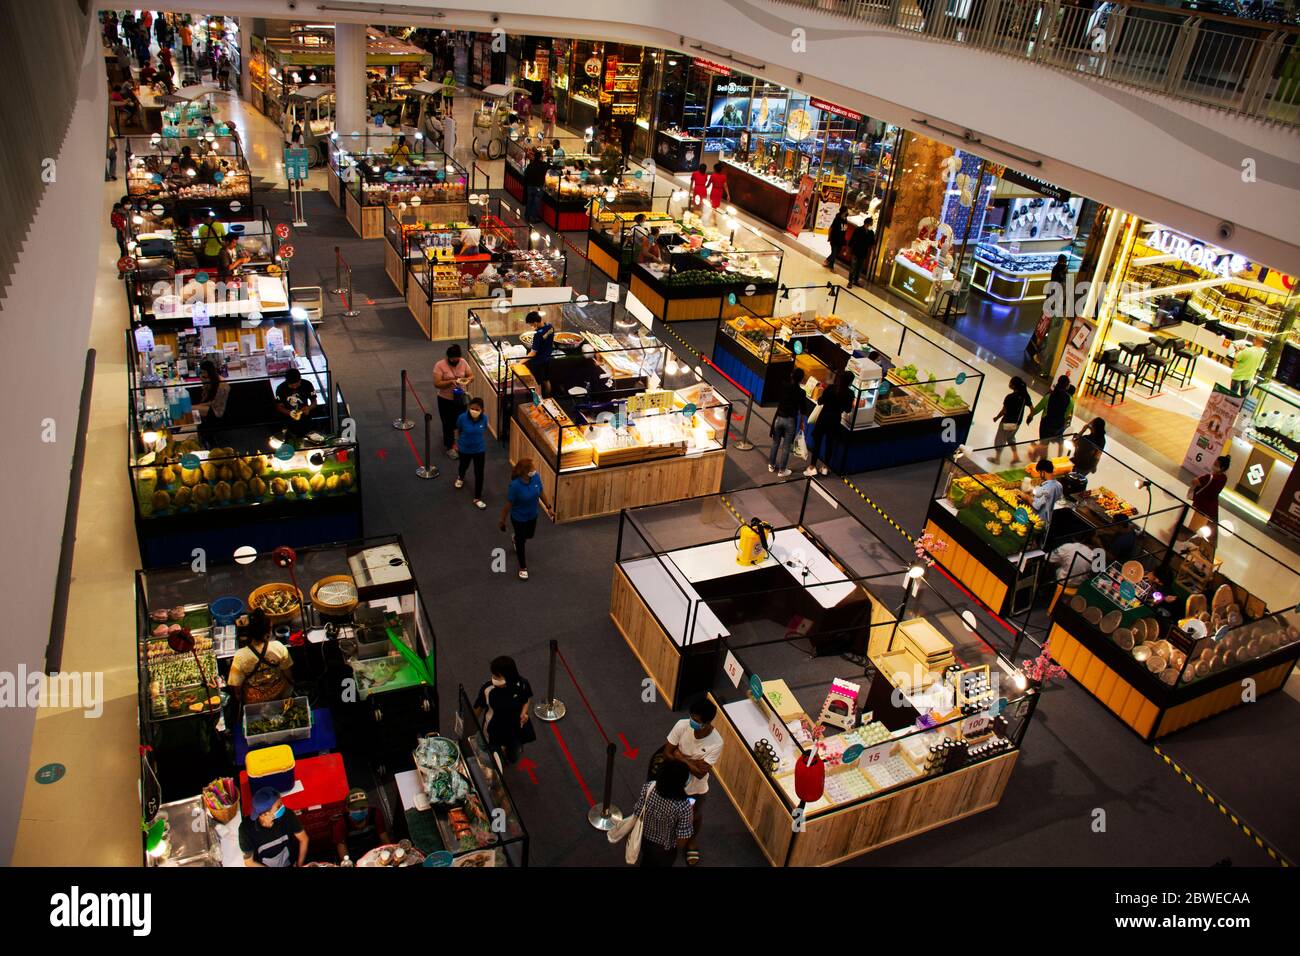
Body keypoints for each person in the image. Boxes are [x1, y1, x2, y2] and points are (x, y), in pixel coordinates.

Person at [663, 698, 723, 867]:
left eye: (696, 721)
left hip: (696, 788)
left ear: (707, 723)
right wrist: (692, 763)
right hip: (673, 780)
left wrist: (680, 757)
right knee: (669, 808)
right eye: (691, 717)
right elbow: (667, 752)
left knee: (694, 814)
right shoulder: (682, 725)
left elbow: (700, 773)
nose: (692, 722)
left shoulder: (716, 743)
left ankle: (691, 842)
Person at [629, 760, 694, 867]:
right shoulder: (683, 807)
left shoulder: (649, 787)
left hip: (644, 838)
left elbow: (637, 810)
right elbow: (681, 840)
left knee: (646, 860)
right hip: (664, 849)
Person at [473, 655, 536, 765]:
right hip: (492, 733)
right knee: (494, 759)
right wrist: (469, 724)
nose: (494, 679)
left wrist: (524, 713)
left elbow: (526, 699)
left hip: (514, 732)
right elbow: (478, 708)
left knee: (513, 757)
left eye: (497, 677)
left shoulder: (522, 684)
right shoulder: (488, 689)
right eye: (493, 675)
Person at [226, 608, 294, 704]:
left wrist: (240, 699)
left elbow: (237, 687)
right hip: (280, 695)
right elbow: (289, 675)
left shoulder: (240, 656)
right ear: (269, 632)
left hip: (254, 701)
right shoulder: (278, 647)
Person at [240, 789, 307, 868]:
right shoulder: (246, 830)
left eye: (281, 803)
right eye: (279, 806)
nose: (283, 807)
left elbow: (304, 839)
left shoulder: (288, 815)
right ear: (264, 814)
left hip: (290, 862)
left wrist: (299, 864)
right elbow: (249, 862)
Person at [500, 459, 543, 580]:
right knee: (521, 542)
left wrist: (549, 507)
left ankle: (516, 538)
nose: (534, 470)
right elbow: (508, 505)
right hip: (518, 518)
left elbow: (541, 491)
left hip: (532, 515)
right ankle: (523, 567)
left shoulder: (536, 478)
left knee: (529, 536)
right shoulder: (515, 486)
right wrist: (502, 520)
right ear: (524, 472)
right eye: (532, 469)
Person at [805, 370, 852, 477]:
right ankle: (825, 467)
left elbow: (820, 401)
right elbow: (848, 409)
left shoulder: (831, 388)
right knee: (829, 443)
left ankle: (812, 467)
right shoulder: (850, 393)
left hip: (824, 417)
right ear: (850, 382)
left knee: (817, 442)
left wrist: (822, 398)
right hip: (835, 419)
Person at [433, 344, 472, 459]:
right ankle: (449, 446)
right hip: (445, 399)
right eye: (452, 359)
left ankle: (461, 443)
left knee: (461, 422)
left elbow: (471, 375)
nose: (455, 361)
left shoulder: (463, 362)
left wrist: (467, 380)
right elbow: (437, 383)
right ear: (448, 357)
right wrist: (450, 382)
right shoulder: (439, 365)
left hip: (460, 398)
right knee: (447, 423)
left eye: (457, 359)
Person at [333, 788, 390, 863]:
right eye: (355, 808)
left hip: (376, 855)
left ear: (367, 806)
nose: (359, 811)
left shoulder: (375, 814)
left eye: (362, 808)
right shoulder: (341, 824)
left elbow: (384, 838)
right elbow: (343, 852)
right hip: (355, 858)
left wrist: (389, 854)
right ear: (347, 808)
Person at [769, 366, 806, 477]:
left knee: (775, 442)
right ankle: (782, 470)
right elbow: (803, 409)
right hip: (790, 421)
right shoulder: (801, 392)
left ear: (791, 375)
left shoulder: (784, 386)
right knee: (786, 447)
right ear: (802, 379)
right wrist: (802, 422)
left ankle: (771, 464)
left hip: (779, 417)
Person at [1188, 454, 1230, 550]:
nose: (1213, 465)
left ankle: (1195, 545)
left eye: (1216, 464)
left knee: (1198, 527)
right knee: (1210, 531)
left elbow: (1194, 481)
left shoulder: (1209, 477)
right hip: (1212, 507)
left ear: (1222, 468)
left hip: (1203, 506)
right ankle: (1204, 548)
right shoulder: (1224, 478)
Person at [1026, 374, 1074, 455]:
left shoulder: (1049, 396)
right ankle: (1051, 458)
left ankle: (1038, 457)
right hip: (1058, 426)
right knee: (1054, 443)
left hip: (1046, 424)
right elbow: (1066, 415)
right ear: (1067, 386)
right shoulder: (1070, 400)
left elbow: (1038, 408)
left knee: (1044, 444)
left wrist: (1030, 416)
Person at [454, 397, 488, 508]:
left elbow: (483, 431)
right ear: (469, 408)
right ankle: (461, 477)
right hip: (464, 449)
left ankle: (477, 497)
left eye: (477, 409)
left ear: (482, 410)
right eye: (472, 408)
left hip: (479, 450)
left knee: (479, 474)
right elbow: (458, 430)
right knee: (463, 466)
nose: (474, 411)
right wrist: (457, 443)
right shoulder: (462, 418)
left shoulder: (484, 419)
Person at [992, 376, 1031, 463]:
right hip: (1017, 424)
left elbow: (1004, 411)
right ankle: (1016, 457)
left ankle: (997, 459)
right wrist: (1030, 417)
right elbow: (1032, 408)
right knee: (1010, 438)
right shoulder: (1025, 396)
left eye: (1010, 383)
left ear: (1013, 386)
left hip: (1007, 422)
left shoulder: (1010, 397)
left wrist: (997, 418)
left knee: (1000, 439)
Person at [193, 360, 231, 443]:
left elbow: (215, 403)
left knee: (192, 409)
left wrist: (201, 405)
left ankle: (203, 437)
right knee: (194, 409)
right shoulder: (212, 380)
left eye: (203, 372)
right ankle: (201, 434)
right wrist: (204, 383)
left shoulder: (222, 385)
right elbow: (205, 397)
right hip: (211, 406)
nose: (202, 374)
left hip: (216, 410)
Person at [522, 309, 555, 398]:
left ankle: (538, 402)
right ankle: (548, 397)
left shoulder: (537, 335)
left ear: (535, 323)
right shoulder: (550, 326)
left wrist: (520, 361)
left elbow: (532, 353)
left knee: (537, 383)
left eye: (531, 324)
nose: (531, 326)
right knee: (546, 379)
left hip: (538, 362)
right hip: (548, 358)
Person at [275, 368, 318, 434]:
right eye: (292, 385)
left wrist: (309, 408)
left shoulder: (307, 384)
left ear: (300, 379)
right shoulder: (280, 388)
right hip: (288, 419)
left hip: (305, 418)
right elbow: (279, 406)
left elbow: (314, 402)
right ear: (287, 382)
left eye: (297, 384)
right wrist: (290, 413)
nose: (295, 387)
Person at [1030, 458, 1064, 531]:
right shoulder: (1059, 485)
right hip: (1052, 521)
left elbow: (1036, 506)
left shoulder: (1046, 488)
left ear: (1043, 472)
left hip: (1041, 522)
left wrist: (1026, 498)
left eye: (1039, 473)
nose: (1039, 475)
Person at [847, 220, 877, 287]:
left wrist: (874, 252)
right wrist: (849, 248)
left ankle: (856, 280)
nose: (872, 224)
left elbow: (872, 243)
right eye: (871, 222)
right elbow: (852, 239)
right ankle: (850, 281)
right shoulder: (858, 229)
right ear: (868, 223)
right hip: (856, 250)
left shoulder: (871, 233)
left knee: (859, 268)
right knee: (853, 266)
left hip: (863, 252)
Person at [523, 149, 548, 224]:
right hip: (538, 187)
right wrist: (560, 167)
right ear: (540, 157)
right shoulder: (543, 165)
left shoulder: (531, 164)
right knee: (536, 203)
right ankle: (534, 218)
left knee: (529, 201)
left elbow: (525, 174)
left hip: (530, 186)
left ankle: (527, 217)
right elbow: (552, 167)